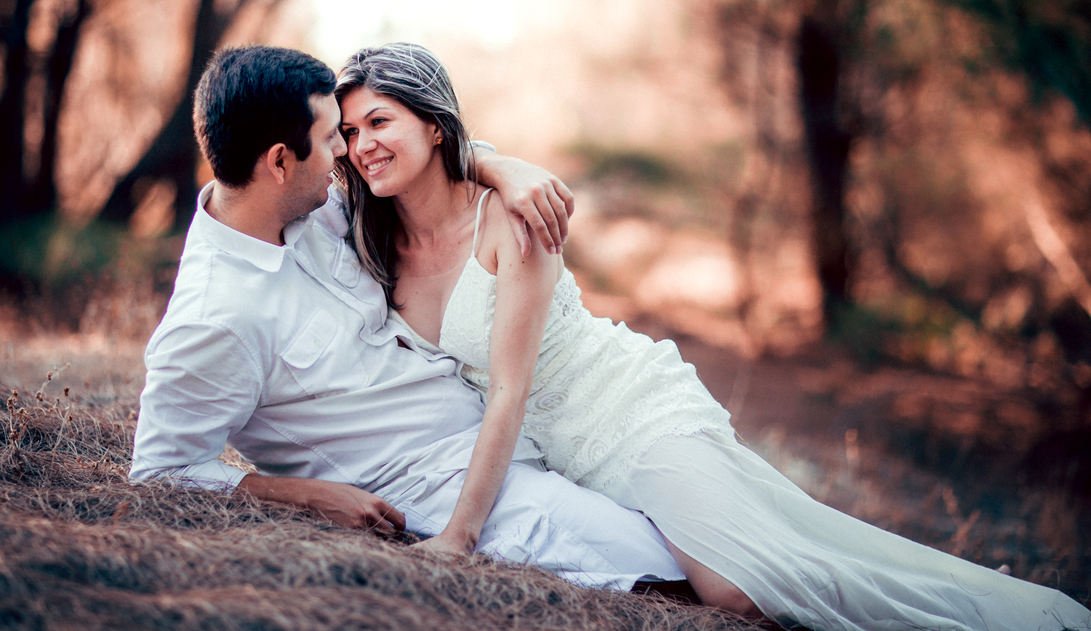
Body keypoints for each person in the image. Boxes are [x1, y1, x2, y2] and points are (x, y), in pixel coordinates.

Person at [335, 41, 1091, 631]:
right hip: (554, 455)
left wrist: (458, 538)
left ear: (434, 125)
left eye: (379, 121)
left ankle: (1011, 618)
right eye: (349, 131)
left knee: (737, 589)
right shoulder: (370, 245)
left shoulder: (511, 216)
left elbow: (509, 388)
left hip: (626, 414)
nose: (362, 143)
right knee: (778, 549)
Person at [129, 44, 690, 593]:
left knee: (688, 515)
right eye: (332, 138)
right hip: (440, 483)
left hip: (516, 432)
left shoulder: (315, 208)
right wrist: (309, 496)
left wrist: (504, 167)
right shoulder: (214, 316)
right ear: (279, 162)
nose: (345, 153)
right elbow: (160, 470)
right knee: (673, 566)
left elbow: (422, 164)